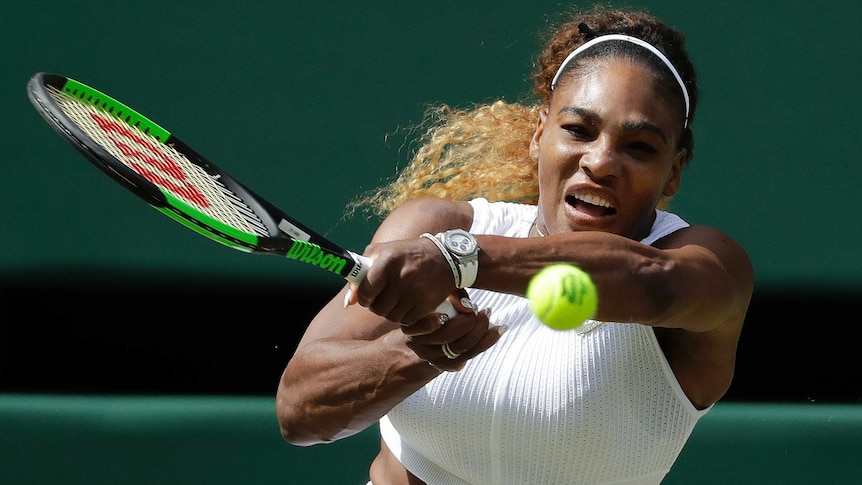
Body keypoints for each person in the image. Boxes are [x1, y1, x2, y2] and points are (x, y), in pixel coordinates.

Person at [276, 4, 754, 485]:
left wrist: (457, 259)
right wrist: (420, 351)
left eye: (640, 147)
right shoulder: (431, 222)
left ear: (674, 168)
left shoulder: (708, 266)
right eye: (578, 131)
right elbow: (299, 412)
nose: (602, 161)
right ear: (539, 134)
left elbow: (650, 279)